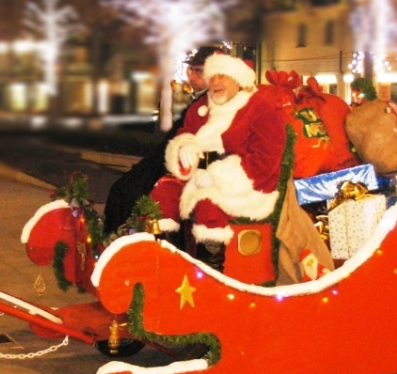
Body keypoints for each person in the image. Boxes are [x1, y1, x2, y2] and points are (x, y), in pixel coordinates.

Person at [149, 52, 286, 246]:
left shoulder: (260, 108)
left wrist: (217, 177)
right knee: (163, 194)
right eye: (212, 76)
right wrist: (185, 147)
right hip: (197, 174)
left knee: (207, 204)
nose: (215, 82)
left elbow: (265, 160)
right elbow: (183, 134)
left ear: (238, 80)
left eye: (222, 76)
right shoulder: (201, 107)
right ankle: (162, 251)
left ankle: (212, 263)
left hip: (242, 184)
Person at [102, 45, 219, 234]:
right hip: (172, 159)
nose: (192, 77)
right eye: (191, 70)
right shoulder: (200, 101)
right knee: (125, 187)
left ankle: (126, 238)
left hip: (187, 167)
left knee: (129, 191)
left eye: (198, 71)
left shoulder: (211, 102)